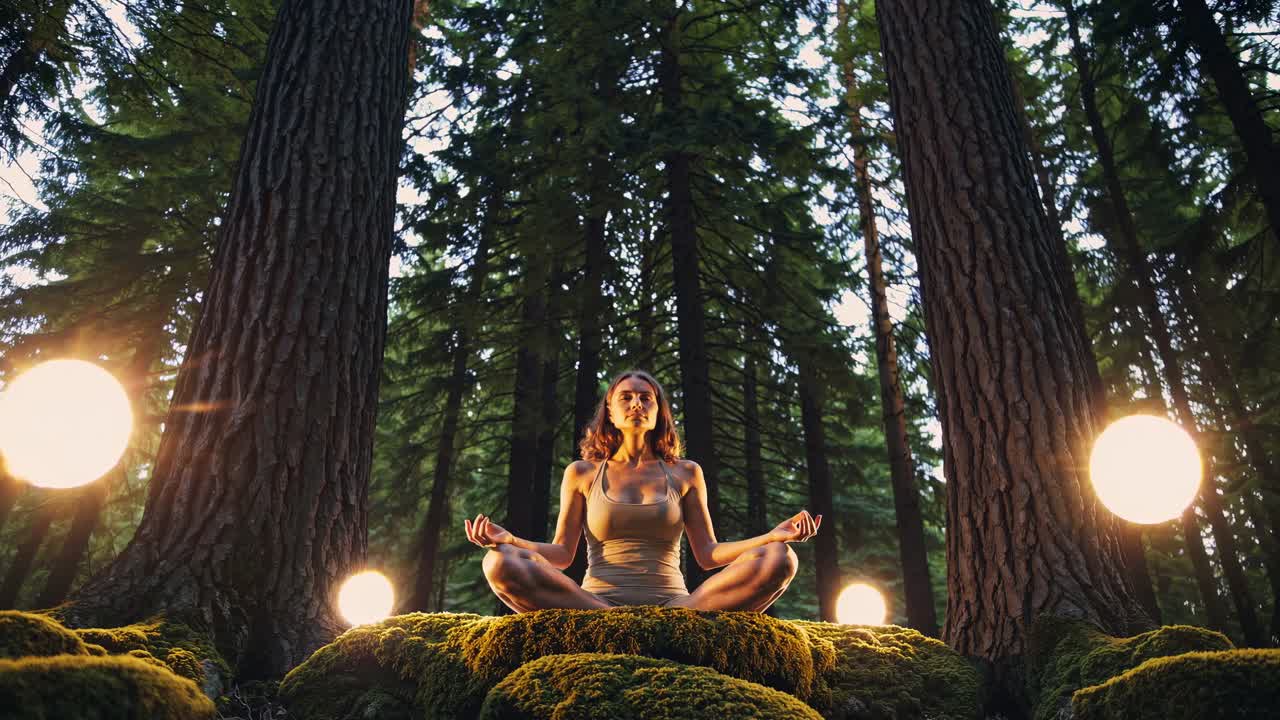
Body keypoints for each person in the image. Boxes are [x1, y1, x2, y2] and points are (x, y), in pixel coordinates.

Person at [465, 369, 821, 613]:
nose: (636, 404)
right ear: (611, 411)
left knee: (779, 558)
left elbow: (708, 554)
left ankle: (675, 625)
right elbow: (560, 554)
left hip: (677, 607)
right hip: (595, 604)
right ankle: (608, 623)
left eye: (646, 398)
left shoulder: (685, 473)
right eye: (626, 398)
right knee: (499, 561)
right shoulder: (582, 473)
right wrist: (511, 541)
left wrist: (771, 537)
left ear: (658, 412)